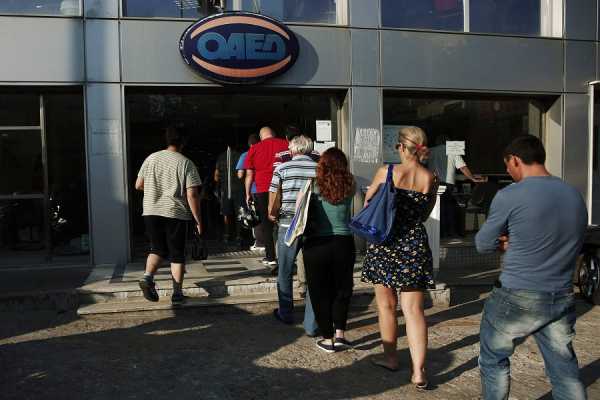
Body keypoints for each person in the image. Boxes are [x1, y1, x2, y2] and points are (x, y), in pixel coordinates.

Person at [475, 135, 588, 400]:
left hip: (517, 293)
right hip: (561, 294)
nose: (508, 172)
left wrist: (506, 242)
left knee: (493, 359)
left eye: (507, 166)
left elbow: (483, 243)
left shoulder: (510, 195)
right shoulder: (573, 194)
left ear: (516, 160)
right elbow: (568, 238)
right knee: (564, 370)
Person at [361, 126, 436, 390]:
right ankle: (418, 371)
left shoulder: (387, 172)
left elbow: (368, 204)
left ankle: (391, 358)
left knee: (386, 306)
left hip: (385, 242)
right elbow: (424, 214)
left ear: (401, 147)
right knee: (414, 310)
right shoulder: (430, 178)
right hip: (414, 244)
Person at [135, 127, 203, 304]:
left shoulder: (151, 158)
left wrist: (155, 190)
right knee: (177, 253)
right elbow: (192, 194)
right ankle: (177, 294)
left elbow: (138, 184)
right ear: (183, 142)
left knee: (157, 249)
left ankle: (147, 277)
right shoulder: (186, 163)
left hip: (151, 211)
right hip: (175, 212)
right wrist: (198, 220)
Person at [302, 147, 356, 352]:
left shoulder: (313, 184)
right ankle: (340, 333)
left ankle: (327, 338)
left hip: (316, 244)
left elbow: (300, 210)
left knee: (319, 292)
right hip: (344, 242)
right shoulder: (350, 184)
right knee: (342, 289)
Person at [268, 135, 319, 333]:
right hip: (313, 224)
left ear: (293, 150)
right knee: (313, 272)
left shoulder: (282, 168)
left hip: (288, 223)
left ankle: (286, 312)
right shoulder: (318, 169)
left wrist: (272, 214)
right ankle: (311, 320)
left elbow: (274, 195)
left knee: (285, 270)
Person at [243, 126, 288, 268]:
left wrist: (247, 193)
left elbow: (249, 174)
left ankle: (271, 257)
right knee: (285, 222)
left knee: (266, 225)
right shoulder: (286, 144)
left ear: (261, 136)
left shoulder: (254, 148)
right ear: (273, 134)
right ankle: (286, 256)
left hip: (262, 190)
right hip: (283, 188)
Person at [427, 134, 485, 237]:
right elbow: (462, 167)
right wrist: (472, 178)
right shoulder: (452, 150)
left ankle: (440, 233)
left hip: (433, 183)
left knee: (437, 208)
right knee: (449, 208)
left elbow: (422, 163)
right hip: (448, 184)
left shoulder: (430, 151)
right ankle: (451, 232)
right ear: (448, 142)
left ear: (437, 142)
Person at [236, 133, 263, 250]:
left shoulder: (245, 155)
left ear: (249, 144)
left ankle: (259, 242)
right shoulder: (264, 153)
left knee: (255, 215)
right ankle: (269, 241)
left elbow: (240, 174)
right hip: (266, 187)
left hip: (253, 189)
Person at [214, 144, 243, 244]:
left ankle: (226, 235)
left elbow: (216, 176)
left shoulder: (220, 157)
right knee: (239, 213)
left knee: (226, 213)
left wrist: (218, 186)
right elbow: (242, 174)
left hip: (225, 189)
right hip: (238, 189)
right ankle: (239, 236)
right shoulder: (240, 156)